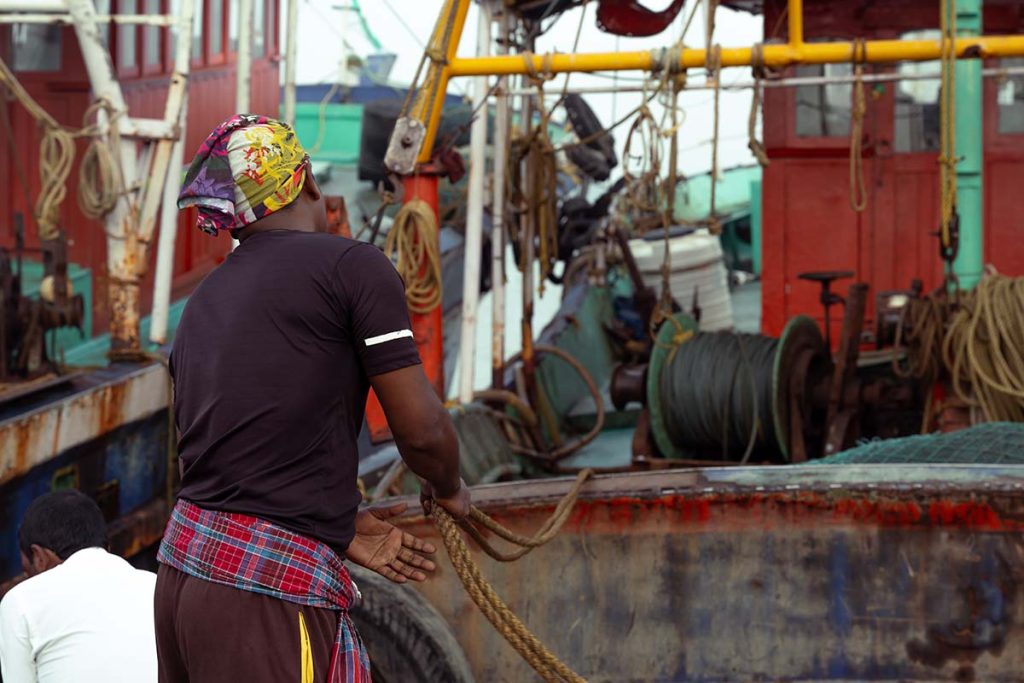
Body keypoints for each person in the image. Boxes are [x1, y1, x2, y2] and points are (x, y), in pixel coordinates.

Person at [155, 114, 469, 683]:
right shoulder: (354, 267)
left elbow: (233, 449)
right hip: (263, 591)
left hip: (184, 575)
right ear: (307, 182)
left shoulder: (202, 303)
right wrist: (449, 487)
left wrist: (338, 519)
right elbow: (422, 434)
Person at [0, 490, 158, 683]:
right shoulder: (155, 586)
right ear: (107, 548)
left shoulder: (20, 602)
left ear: (39, 557)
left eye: (27, 571)